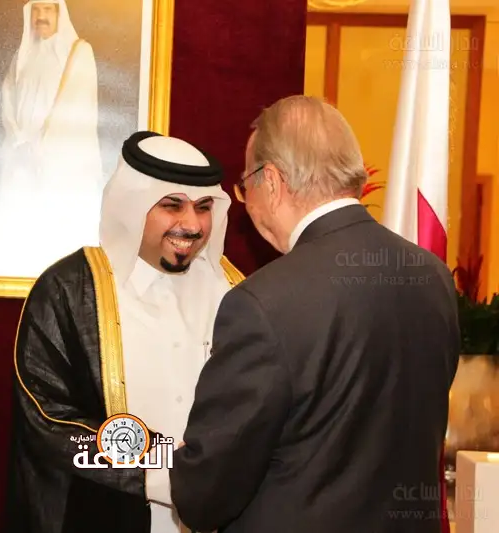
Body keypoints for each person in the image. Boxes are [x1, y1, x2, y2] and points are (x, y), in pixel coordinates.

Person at [170, 95, 460, 532]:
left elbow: (204, 496)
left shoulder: (261, 302)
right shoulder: (432, 276)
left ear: (272, 180)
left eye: (245, 186)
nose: (246, 202)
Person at [6, 131, 247, 533]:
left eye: (204, 207)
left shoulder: (235, 292)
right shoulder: (69, 291)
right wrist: (164, 465)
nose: (192, 224)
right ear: (133, 206)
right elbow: (47, 420)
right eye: (172, 205)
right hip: (105, 513)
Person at [0, 0, 104, 267]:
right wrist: (19, 141)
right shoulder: (21, 56)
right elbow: (7, 100)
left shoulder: (78, 54)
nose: (41, 16)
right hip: (22, 162)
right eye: (36, 10)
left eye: (48, 10)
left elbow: (77, 110)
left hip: (60, 168)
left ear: (59, 13)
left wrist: (42, 147)